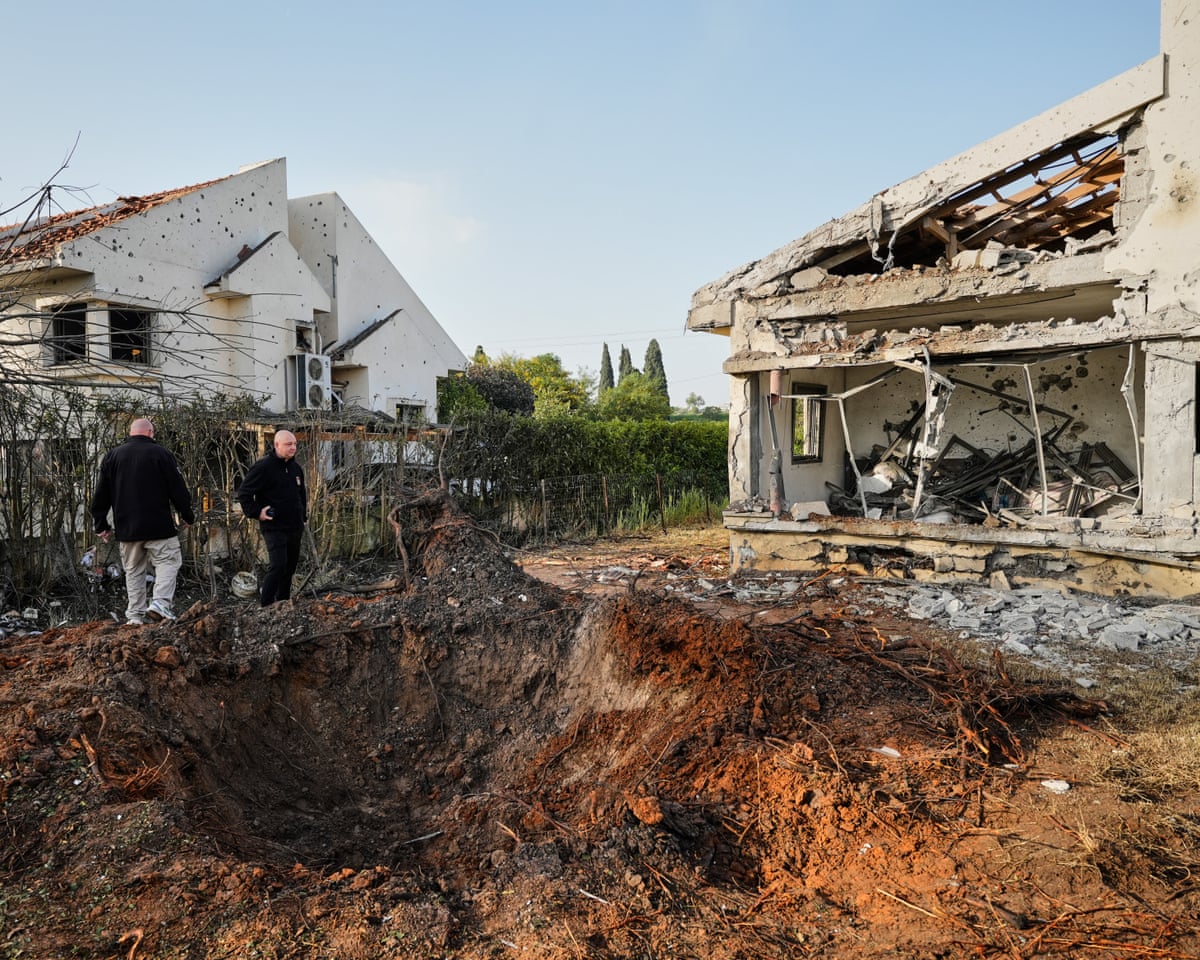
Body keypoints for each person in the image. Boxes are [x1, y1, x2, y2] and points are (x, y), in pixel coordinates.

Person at [91, 417, 195, 625]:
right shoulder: (161, 454)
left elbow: (101, 493)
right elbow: (177, 488)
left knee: (133, 570)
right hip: (159, 526)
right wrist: (187, 514)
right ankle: (161, 603)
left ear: (131, 433)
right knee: (168, 561)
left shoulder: (113, 456)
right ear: (150, 433)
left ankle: (135, 616)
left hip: (127, 528)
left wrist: (101, 524)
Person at [237, 429, 308, 606]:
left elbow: (302, 494)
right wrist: (256, 512)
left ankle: (283, 602)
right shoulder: (264, 467)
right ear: (276, 445)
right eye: (288, 444)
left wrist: (303, 516)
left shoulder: (295, 468)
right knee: (278, 566)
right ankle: (266, 605)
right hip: (274, 526)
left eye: (294, 444)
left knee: (290, 567)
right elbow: (244, 493)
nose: (293, 447)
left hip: (294, 526)